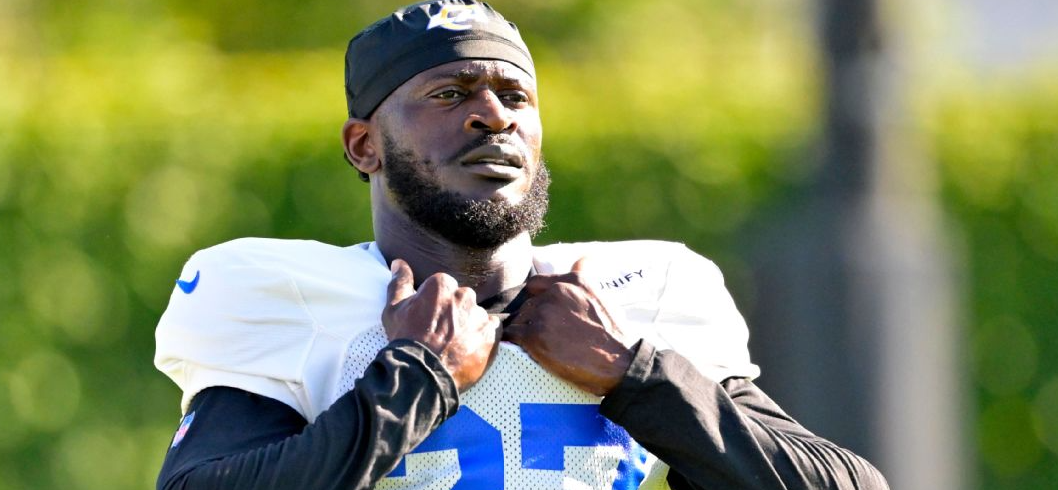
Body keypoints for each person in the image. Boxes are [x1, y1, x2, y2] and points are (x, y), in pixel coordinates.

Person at [152, 1, 889, 489]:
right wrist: (415, 378)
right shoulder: (288, 293)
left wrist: (636, 376)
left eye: (515, 97)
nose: (491, 117)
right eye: (449, 95)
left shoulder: (641, 295)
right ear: (363, 145)